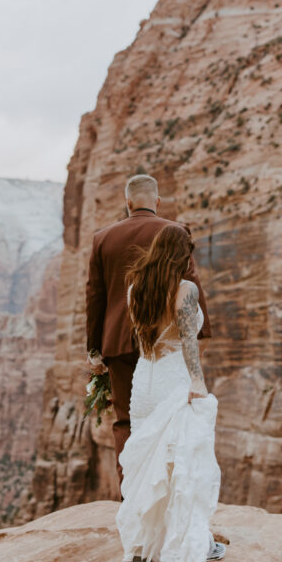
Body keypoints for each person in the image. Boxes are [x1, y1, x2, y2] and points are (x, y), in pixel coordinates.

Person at [85, 174, 211, 488]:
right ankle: (167, 493)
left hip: (117, 342)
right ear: (157, 201)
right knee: (170, 418)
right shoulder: (174, 232)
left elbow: (95, 295)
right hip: (165, 340)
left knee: (127, 421)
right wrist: (199, 329)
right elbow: (191, 282)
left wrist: (94, 349)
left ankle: (132, 496)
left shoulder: (103, 238)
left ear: (127, 202)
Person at [116, 224, 225, 562]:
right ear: (182, 254)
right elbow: (189, 340)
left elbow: (143, 338)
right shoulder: (186, 290)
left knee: (147, 464)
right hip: (175, 378)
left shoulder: (136, 287)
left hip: (145, 379)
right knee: (179, 462)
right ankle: (174, 545)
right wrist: (197, 380)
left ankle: (142, 553)